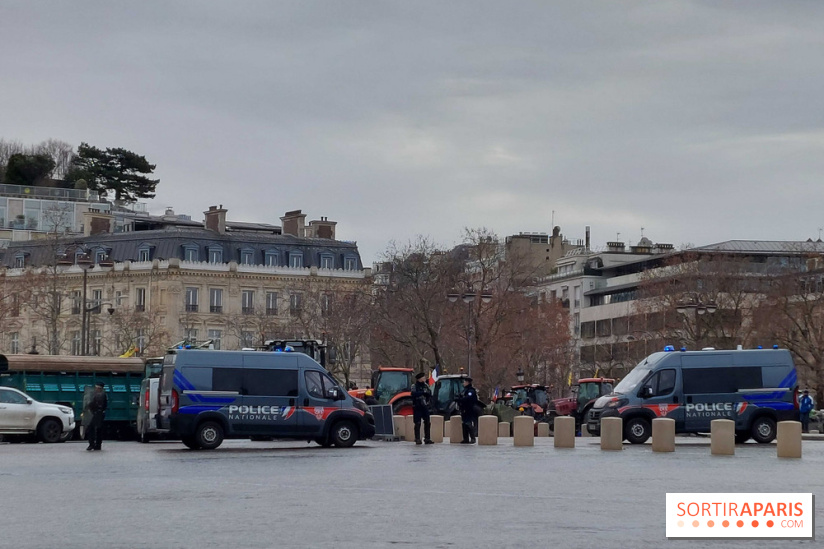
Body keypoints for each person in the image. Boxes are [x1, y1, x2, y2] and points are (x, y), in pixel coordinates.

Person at [410, 372, 433, 444]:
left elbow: (429, 393)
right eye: (423, 378)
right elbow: (413, 394)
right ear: (419, 379)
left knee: (427, 422)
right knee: (417, 423)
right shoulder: (414, 386)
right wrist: (422, 392)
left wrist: (427, 395)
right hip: (417, 406)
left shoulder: (426, 385)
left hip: (425, 406)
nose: (424, 378)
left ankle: (427, 438)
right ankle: (417, 438)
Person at [86, 381, 108, 451]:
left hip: (97, 414)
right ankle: (97, 444)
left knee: (92, 429)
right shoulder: (102, 394)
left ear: (100, 388)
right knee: (97, 429)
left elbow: (95, 404)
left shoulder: (100, 395)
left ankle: (93, 444)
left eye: (97, 388)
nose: (96, 389)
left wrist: (89, 406)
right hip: (98, 413)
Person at [457, 377, 479, 444]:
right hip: (464, 408)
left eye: (464, 382)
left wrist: (461, 400)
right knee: (464, 424)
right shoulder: (464, 390)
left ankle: (473, 438)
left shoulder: (471, 390)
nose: (463, 383)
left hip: (469, 408)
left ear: (467, 382)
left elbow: (468, 398)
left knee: (468, 423)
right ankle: (465, 438)